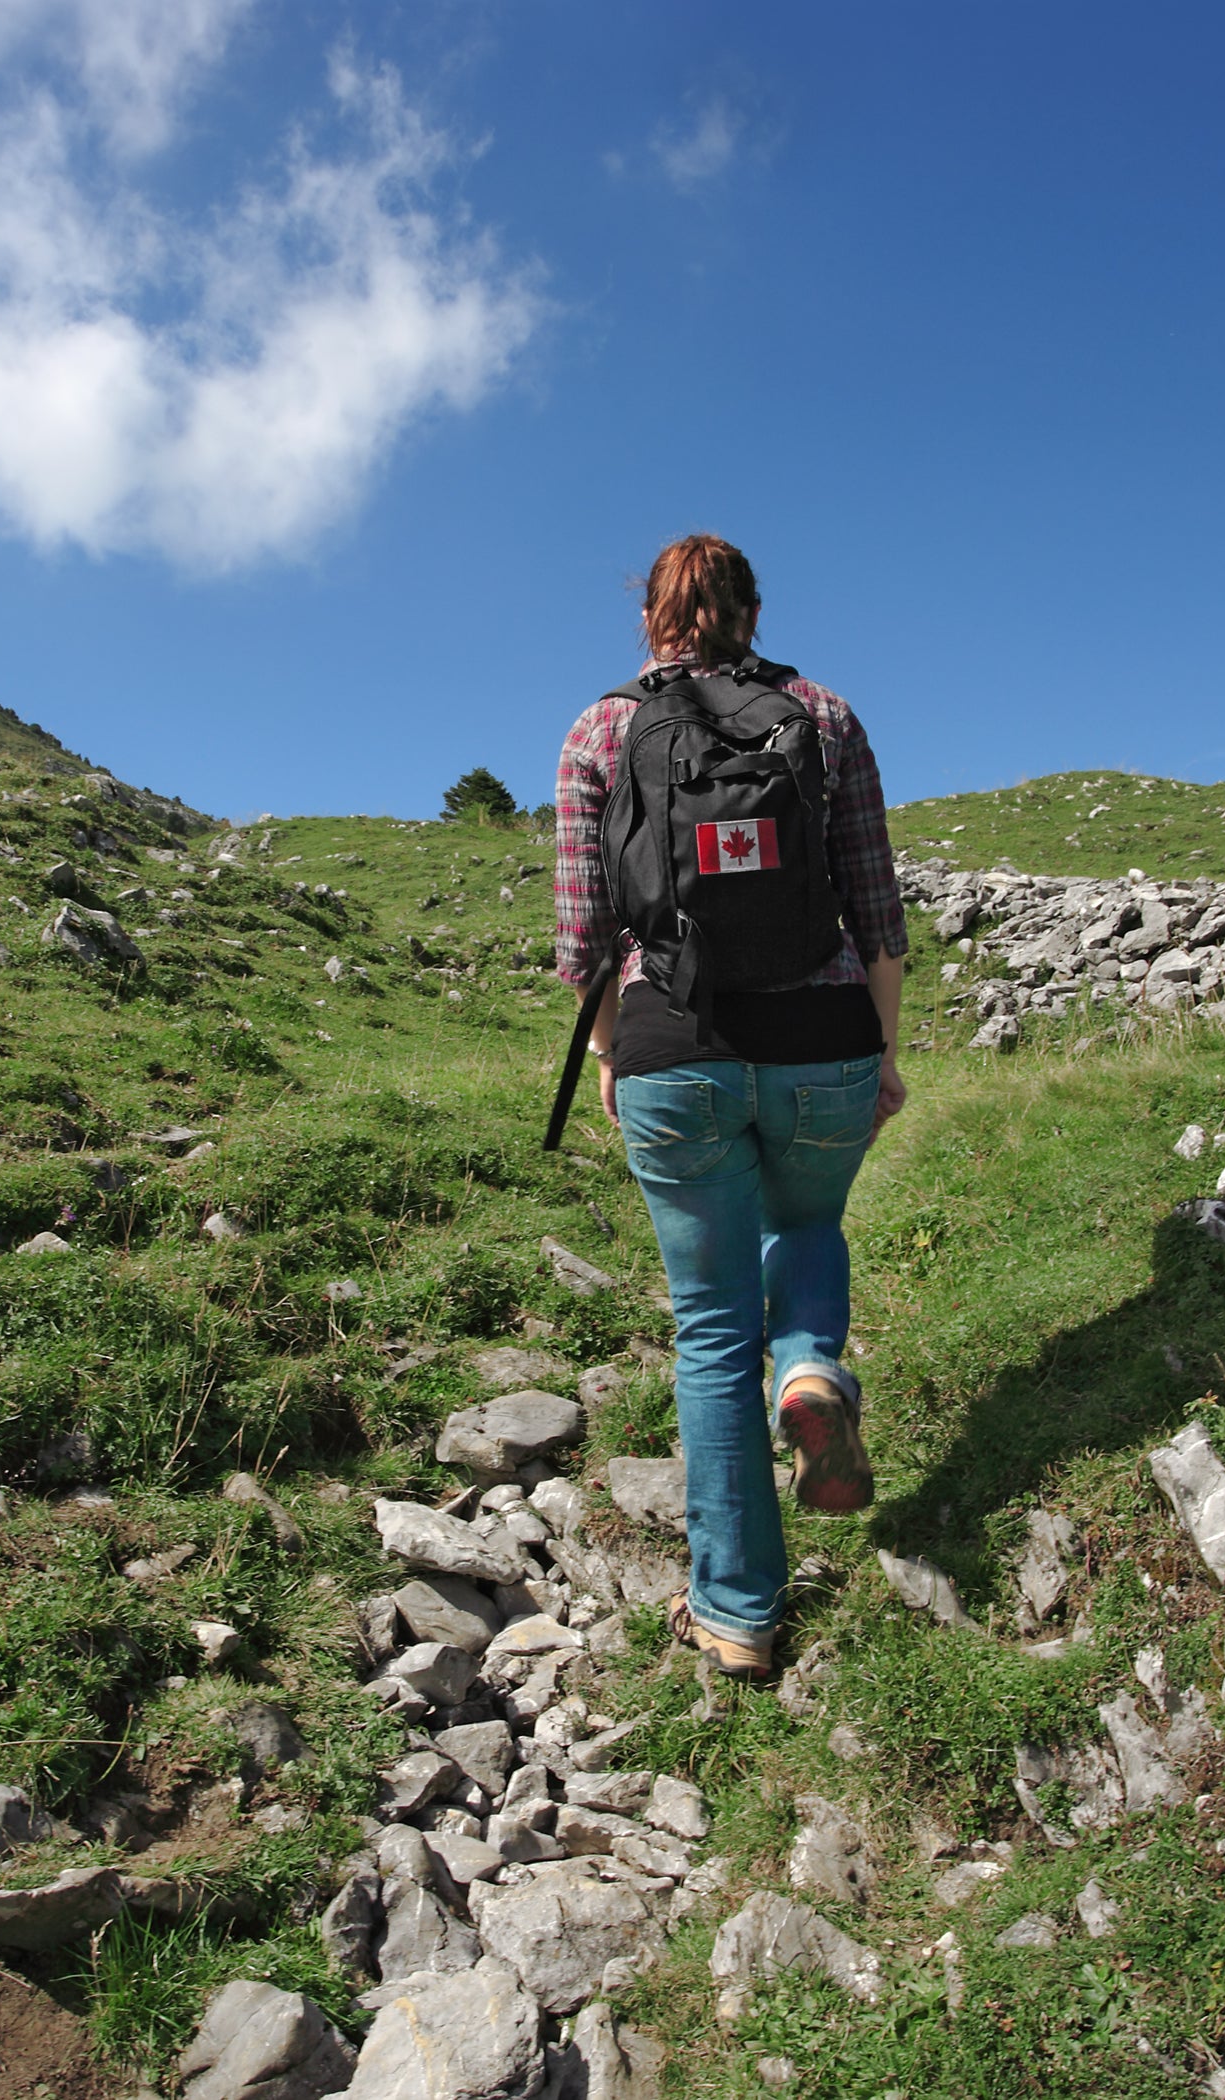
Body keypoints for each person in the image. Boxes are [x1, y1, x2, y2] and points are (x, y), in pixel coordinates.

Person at [551, 533, 907, 1678]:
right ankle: (811, 1371)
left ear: (651, 618)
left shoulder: (602, 731)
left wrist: (615, 1050)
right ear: (751, 611)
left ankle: (739, 1615)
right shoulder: (830, 718)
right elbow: (876, 909)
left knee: (709, 1335)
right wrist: (883, 1051)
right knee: (806, 1225)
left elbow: (580, 936)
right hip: (824, 1043)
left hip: (674, 1046)